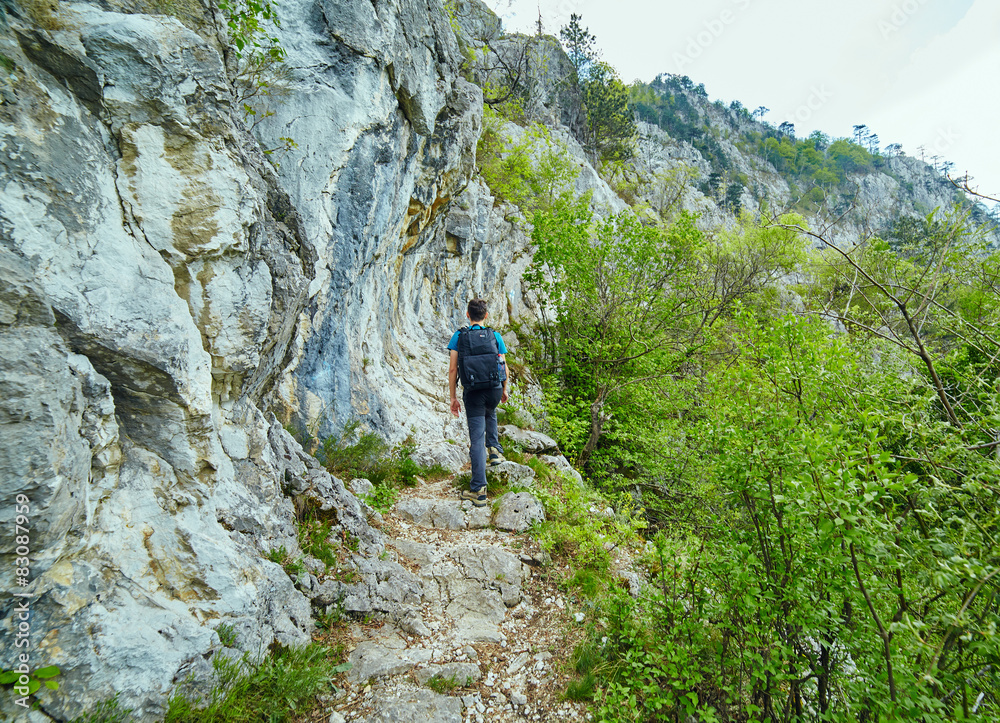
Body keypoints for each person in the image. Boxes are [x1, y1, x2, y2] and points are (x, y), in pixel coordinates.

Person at [448, 298, 509, 507]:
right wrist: (504, 389)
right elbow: (503, 366)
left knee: (476, 439)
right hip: (493, 389)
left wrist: (453, 398)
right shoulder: (495, 335)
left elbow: (453, 369)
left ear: (467, 315)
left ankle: (478, 489)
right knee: (490, 411)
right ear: (486, 316)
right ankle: (494, 450)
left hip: (473, 392)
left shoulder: (459, 336)